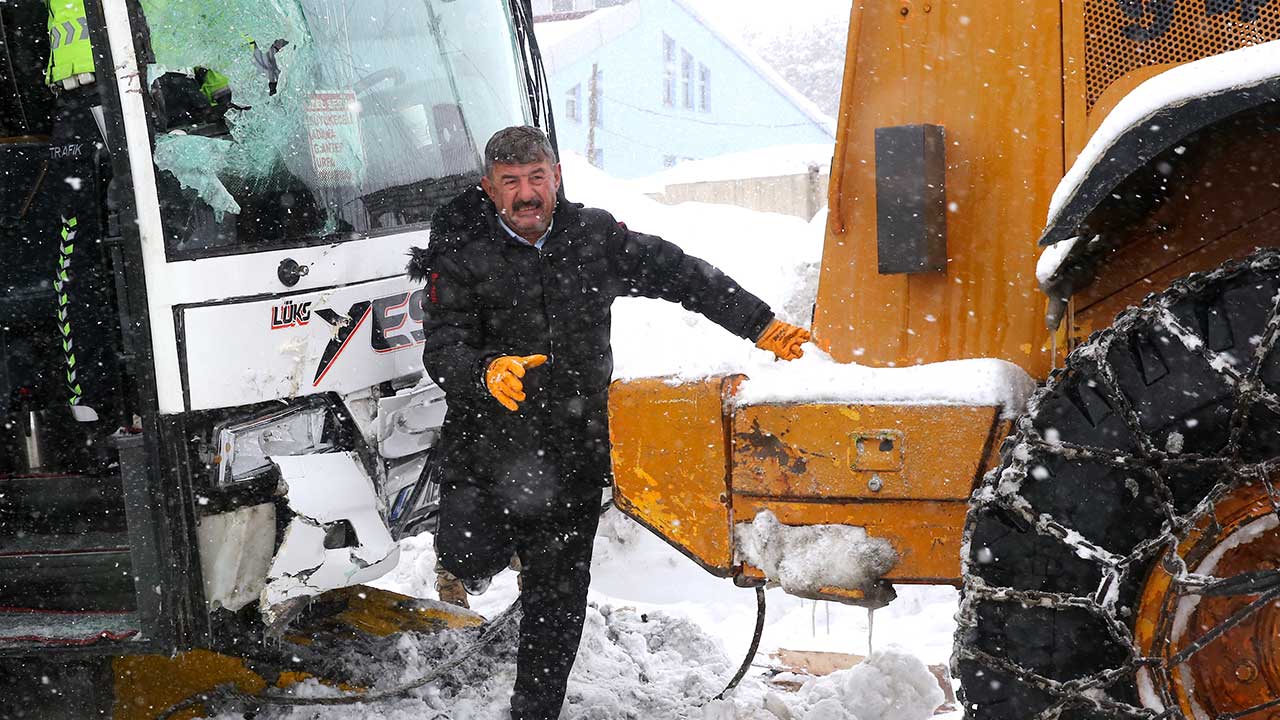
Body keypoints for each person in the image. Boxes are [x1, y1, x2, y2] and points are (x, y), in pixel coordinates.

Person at [407, 126, 809, 720]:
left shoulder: (592, 237)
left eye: (537, 179)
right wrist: (486, 371)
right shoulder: (464, 257)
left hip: (571, 448)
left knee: (559, 597)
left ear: (556, 178)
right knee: (471, 554)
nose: (527, 195)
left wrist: (761, 325)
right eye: (512, 183)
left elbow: (682, 275)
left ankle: (534, 710)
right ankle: (465, 563)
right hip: (487, 448)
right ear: (490, 190)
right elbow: (442, 348)